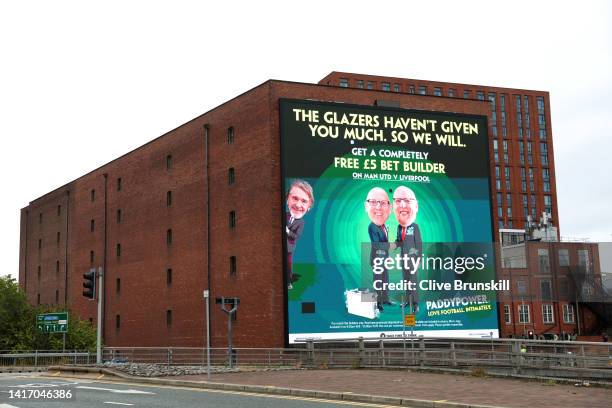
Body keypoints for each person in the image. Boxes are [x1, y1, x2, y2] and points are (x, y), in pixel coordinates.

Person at [393, 186, 422, 312]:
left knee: (413, 282)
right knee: (406, 282)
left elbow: (419, 244)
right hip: (403, 259)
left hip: (412, 260)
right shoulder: (399, 227)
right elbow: (399, 242)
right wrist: (392, 245)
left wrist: (417, 259)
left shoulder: (414, 227)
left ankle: (415, 305)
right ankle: (407, 301)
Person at [365, 187, 392, 311]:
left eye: (383, 203)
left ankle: (385, 299)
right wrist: (391, 246)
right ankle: (377, 303)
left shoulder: (383, 225)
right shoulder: (372, 226)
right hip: (377, 258)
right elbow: (376, 245)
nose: (379, 208)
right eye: (374, 202)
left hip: (385, 258)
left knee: (385, 279)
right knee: (378, 281)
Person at [286, 180, 314, 289]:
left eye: (304, 201)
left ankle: (288, 282)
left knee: (288, 265)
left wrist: (287, 231)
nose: (298, 205)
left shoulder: (301, 222)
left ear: (309, 206)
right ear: (287, 199)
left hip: (289, 248)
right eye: (295, 198)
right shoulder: (284, 215)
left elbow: (295, 236)